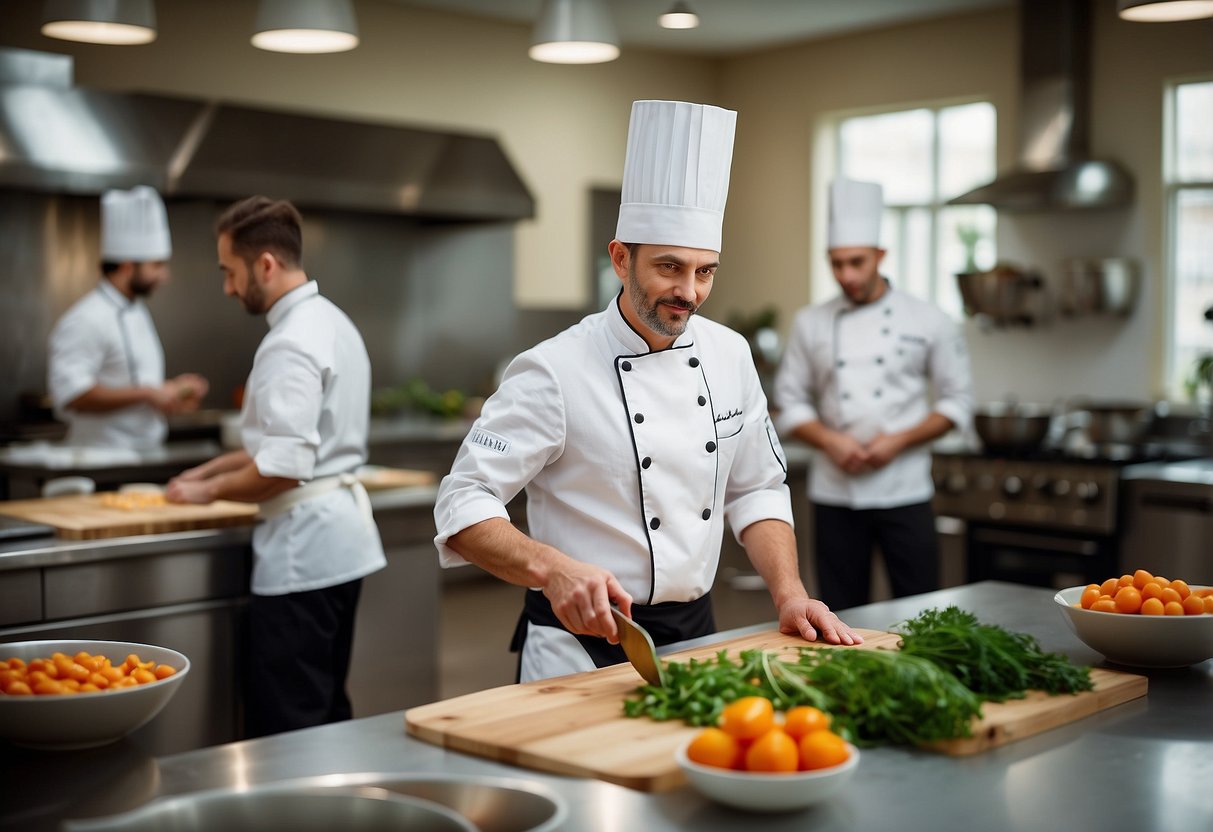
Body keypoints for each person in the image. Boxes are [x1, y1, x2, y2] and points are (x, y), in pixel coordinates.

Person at [434, 100, 862, 684]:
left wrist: (789, 594)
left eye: (705, 271)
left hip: (699, 635)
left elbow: (757, 487)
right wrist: (550, 567)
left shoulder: (731, 355)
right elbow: (463, 501)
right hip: (576, 648)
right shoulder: (552, 369)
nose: (689, 291)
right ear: (620, 258)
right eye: (669, 267)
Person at [166, 196, 386, 738]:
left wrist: (204, 496)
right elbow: (281, 443)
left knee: (289, 722)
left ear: (265, 264)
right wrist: (206, 473)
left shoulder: (289, 343)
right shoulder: (331, 321)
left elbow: (282, 468)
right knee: (326, 709)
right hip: (338, 545)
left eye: (229, 272)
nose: (227, 287)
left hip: (301, 556)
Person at [773, 178, 974, 611]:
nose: (846, 275)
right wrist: (831, 441)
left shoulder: (928, 319)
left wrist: (897, 442)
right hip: (834, 493)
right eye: (836, 264)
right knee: (842, 611)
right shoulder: (811, 322)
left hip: (905, 488)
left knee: (921, 610)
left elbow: (956, 402)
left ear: (880, 256)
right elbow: (789, 402)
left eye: (856, 262)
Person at [48, 186, 208, 449]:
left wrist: (169, 392)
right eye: (156, 265)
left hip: (143, 456)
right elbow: (72, 395)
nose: (165, 276)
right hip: (99, 459)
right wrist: (147, 394)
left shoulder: (137, 311)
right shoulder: (85, 319)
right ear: (127, 265)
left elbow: (130, 383)